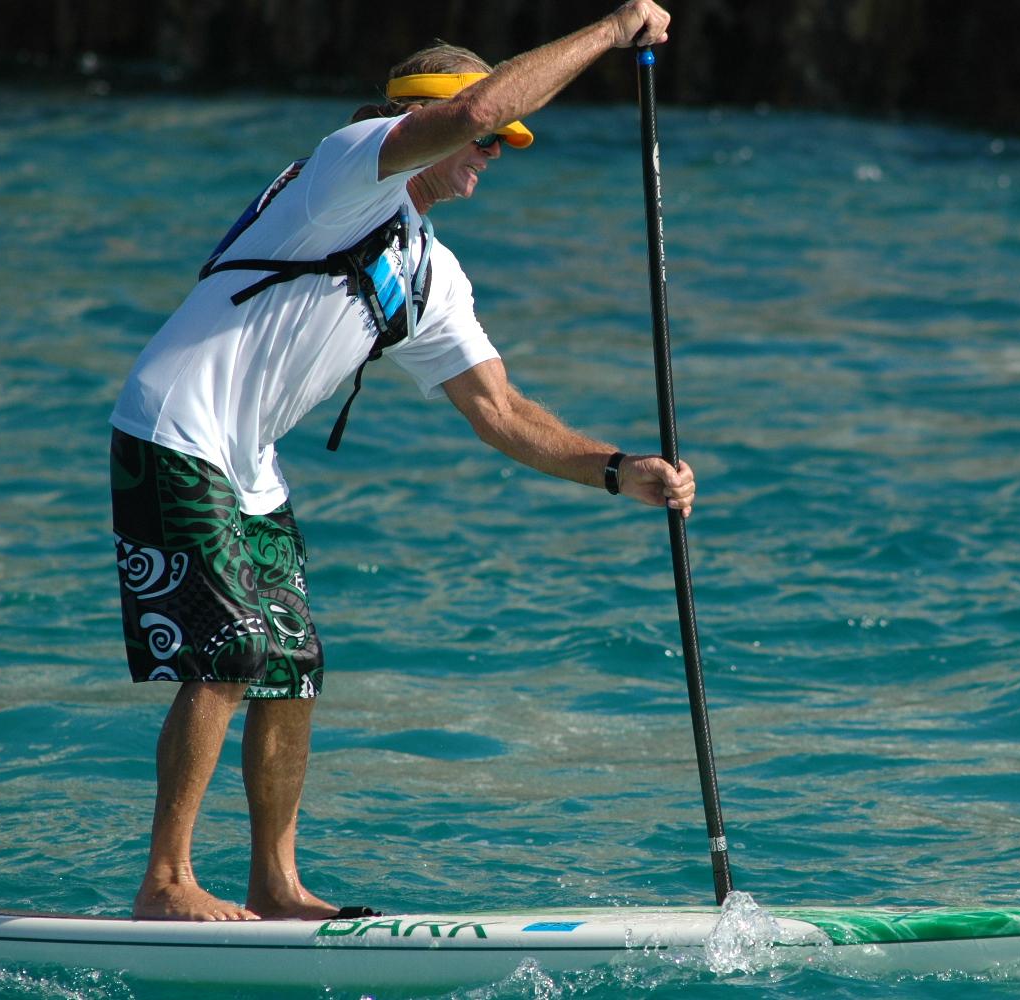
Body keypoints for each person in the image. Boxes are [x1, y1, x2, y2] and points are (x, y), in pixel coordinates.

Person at [109, 2, 685, 922]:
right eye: (492, 139)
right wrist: (614, 30)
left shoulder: (428, 272)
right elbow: (469, 115)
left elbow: (501, 413)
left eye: (504, 145)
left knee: (293, 664)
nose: (493, 156)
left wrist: (620, 469)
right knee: (232, 650)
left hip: (247, 461)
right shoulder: (348, 167)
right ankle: (167, 881)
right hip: (174, 427)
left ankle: (277, 884)